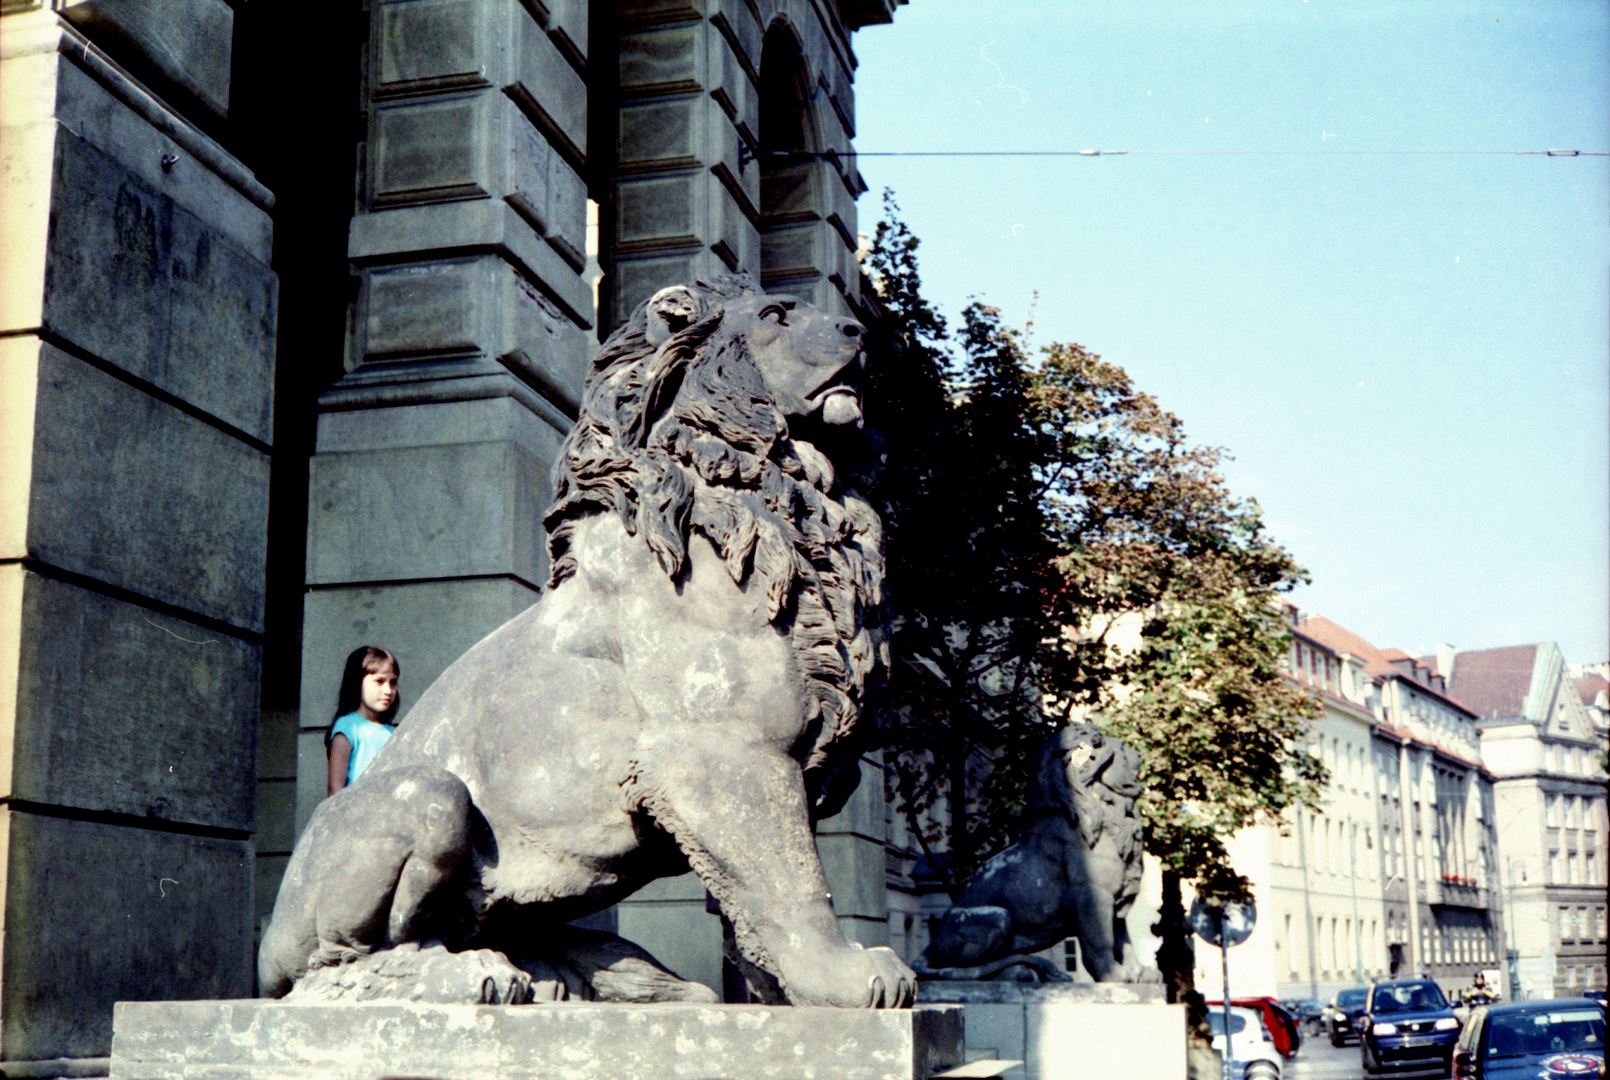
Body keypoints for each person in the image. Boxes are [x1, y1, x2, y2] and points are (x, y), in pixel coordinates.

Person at [326, 645, 401, 796]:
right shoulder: (348, 727)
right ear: (357, 682)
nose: (388, 690)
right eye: (379, 681)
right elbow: (335, 789)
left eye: (393, 682)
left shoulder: (395, 734)